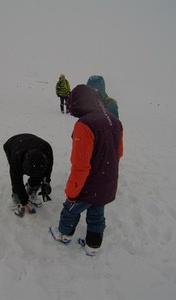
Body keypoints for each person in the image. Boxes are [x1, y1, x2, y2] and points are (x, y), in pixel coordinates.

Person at [50, 84, 124, 256]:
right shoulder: (115, 120)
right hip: (107, 181)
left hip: (88, 183)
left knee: (70, 209)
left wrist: (72, 192)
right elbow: (119, 152)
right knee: (97, 212)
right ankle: (93, 245)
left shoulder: (85, 124)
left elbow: (80, 165)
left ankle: (63, 234)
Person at [3, 133, 53, 217]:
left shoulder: (47, 150)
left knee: (39, 174)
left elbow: (48, 169)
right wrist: (24, 202)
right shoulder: (16, 159)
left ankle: (31, 191)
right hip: (12, 144)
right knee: (16, 176)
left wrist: (46, 182)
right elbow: (16, 180)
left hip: (35, 144)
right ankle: (17, 198)